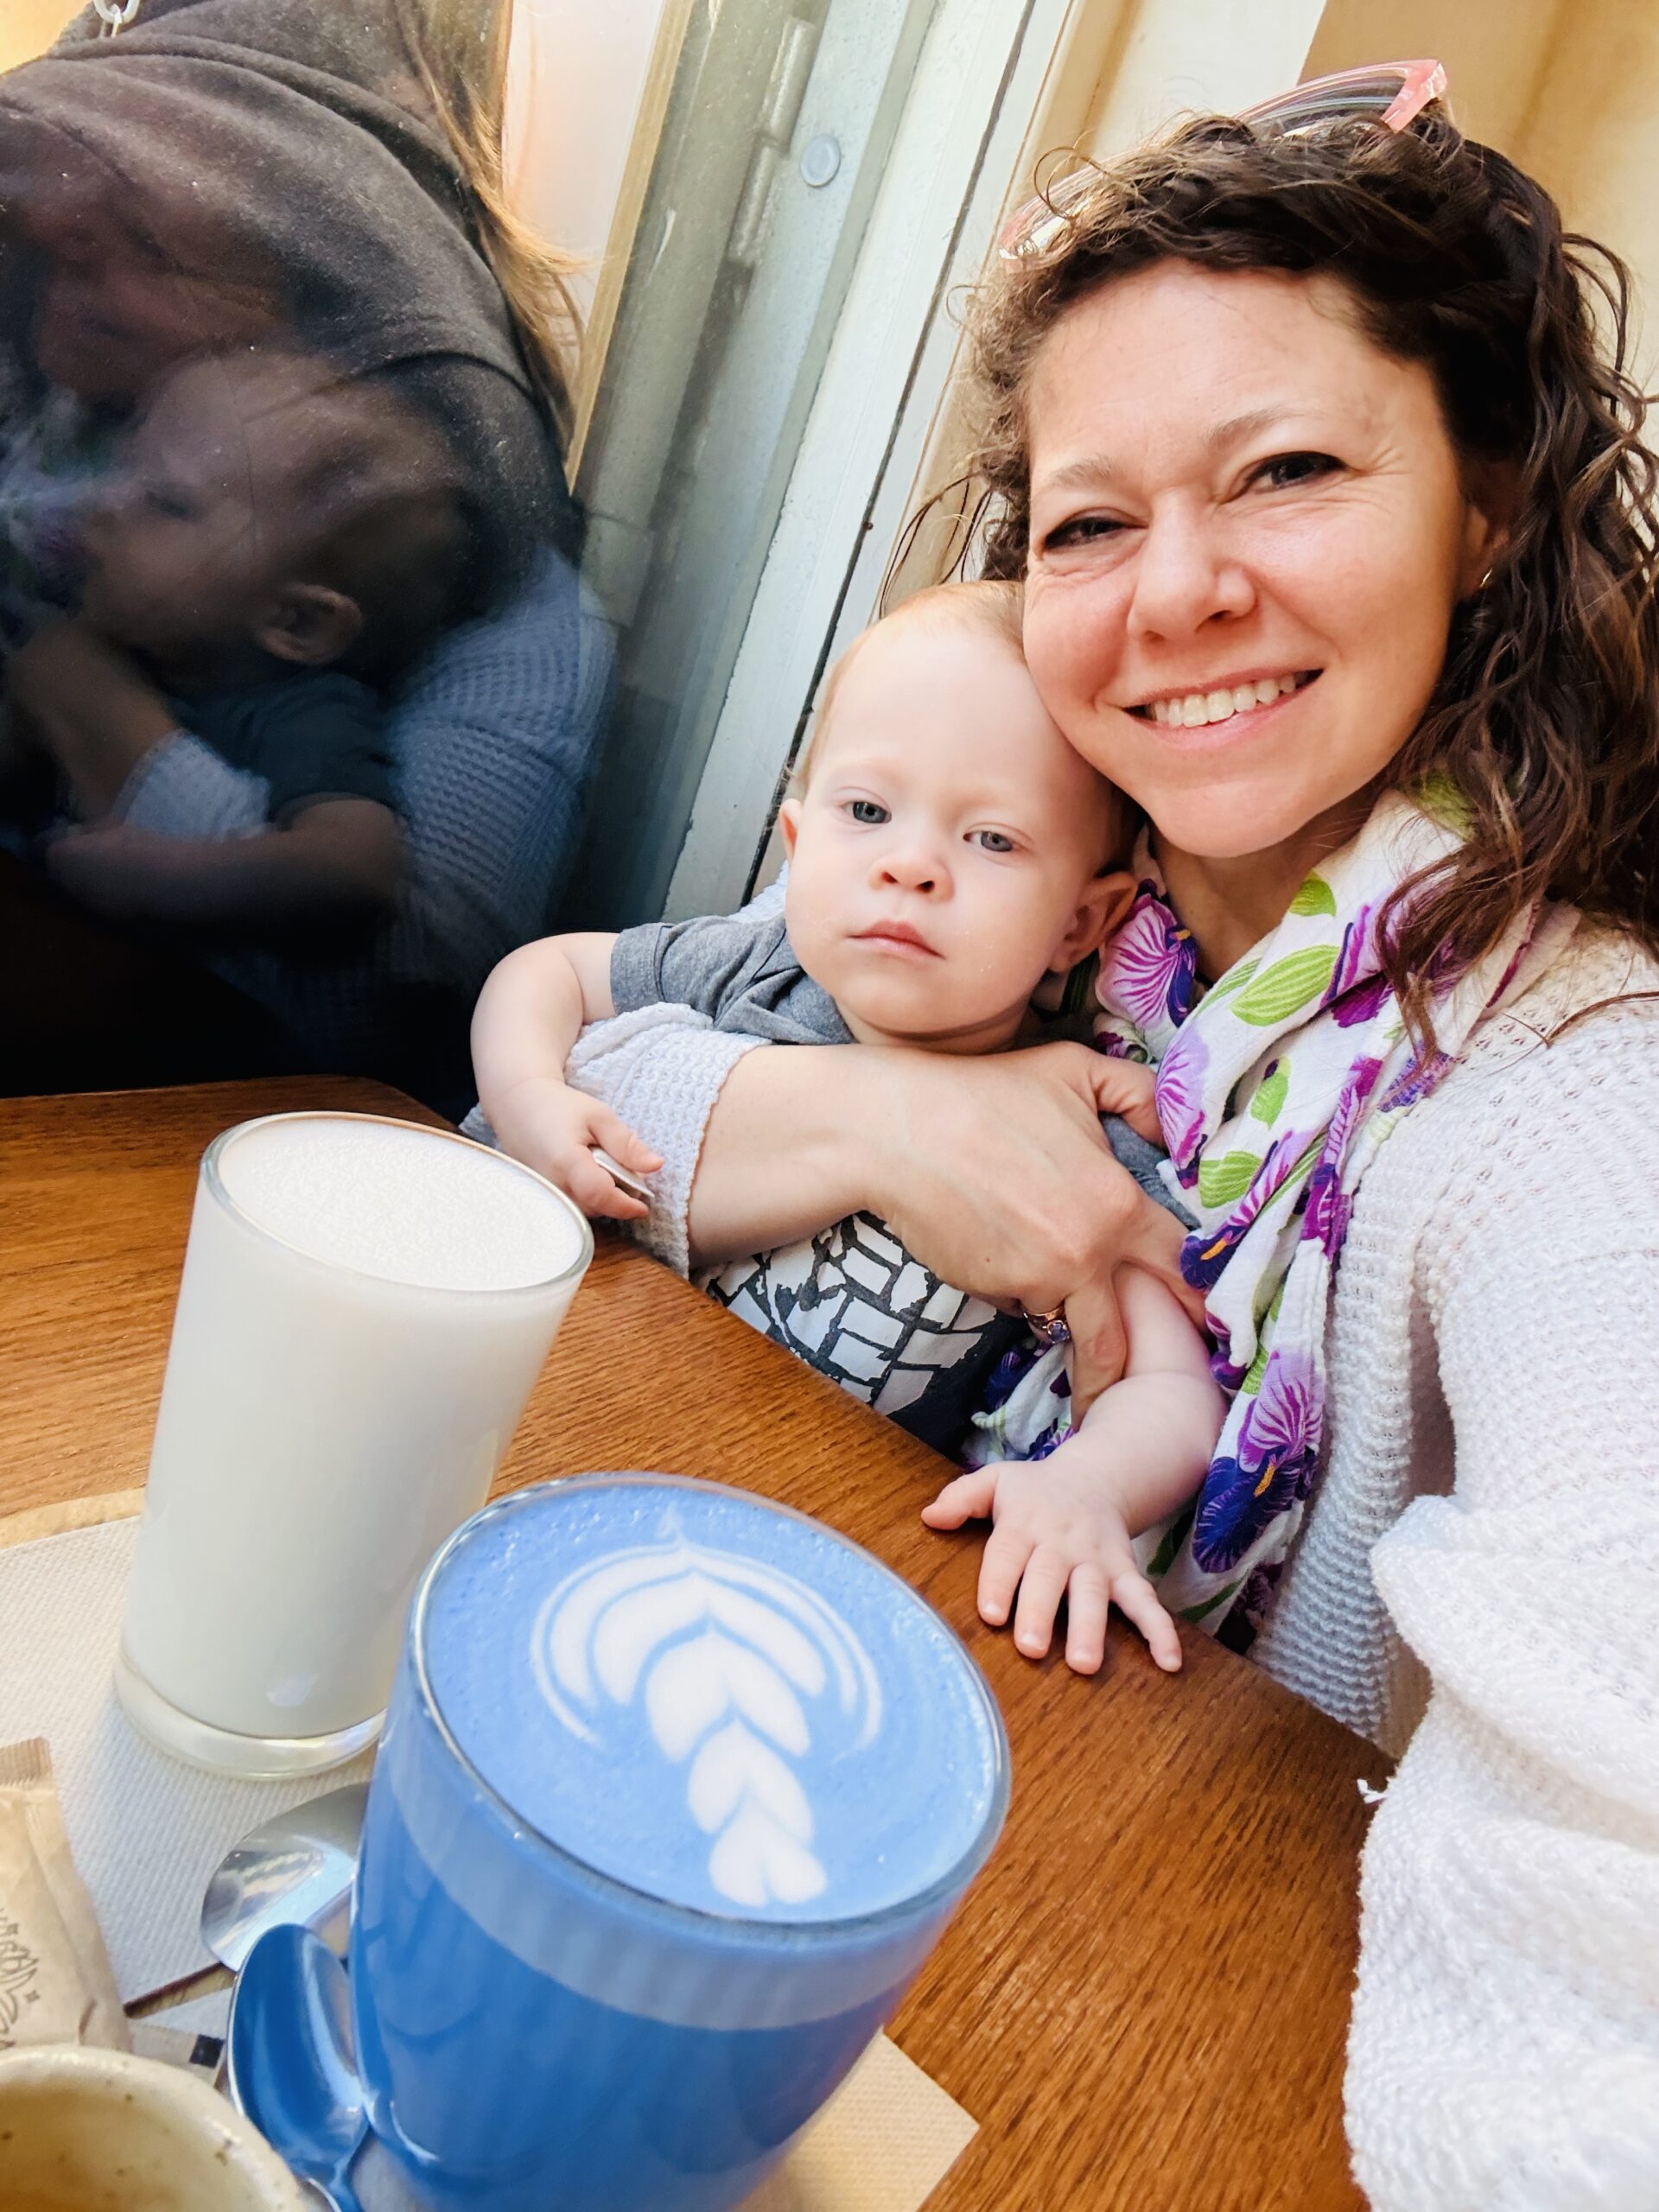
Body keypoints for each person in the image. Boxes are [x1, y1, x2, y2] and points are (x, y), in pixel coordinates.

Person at [564, 64, 1659, 2204]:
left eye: (1286, 471)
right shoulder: (1082, 913)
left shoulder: (1569, 1098)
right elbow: (624, 1061)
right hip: (896, 1778)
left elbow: (1605, 1852)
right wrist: (894, 1108)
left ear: (1490, 502)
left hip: (1198, 2003)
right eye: (1087, 519)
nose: (1172, 593)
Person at [473, 582, 1224, 1675]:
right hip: (572, 1433)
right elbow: (543, 970)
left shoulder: (1070, 1135)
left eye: (991, 838)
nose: (909, 864)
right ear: (795, 841)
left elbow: (1172, 1384)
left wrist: (1085, 1488)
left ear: (1082, 920)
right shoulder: (753, 965)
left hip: (800, 1569)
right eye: (866, 813)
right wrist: (531, 1094)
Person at [0, 0, 609, 1108]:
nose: (66, 278)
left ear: (296, 258)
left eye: (147, 241)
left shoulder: (443, 549)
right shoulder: (58, 425)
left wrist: (81, 699)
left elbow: (389, 994)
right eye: (63, 239)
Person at [6, 351, 471, 939]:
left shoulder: (302, 716)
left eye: (168, 502)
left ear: (297, 622)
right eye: (125, 466)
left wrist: (161, 879)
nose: (104, 502)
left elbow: (358, 871)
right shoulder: (125, 637)